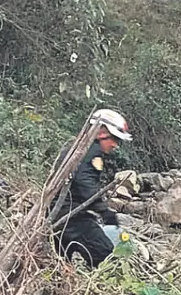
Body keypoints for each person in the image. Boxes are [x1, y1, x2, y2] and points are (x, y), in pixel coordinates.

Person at [52, 109, 132, 268]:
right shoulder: (91, 152)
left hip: (59, 214)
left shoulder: (77, 148)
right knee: (106, 257)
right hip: (71, 217)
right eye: (114, 139)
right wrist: (104, 211)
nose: (115, 145)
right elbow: (85, 183)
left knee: (62, 263)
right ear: (101, 133)